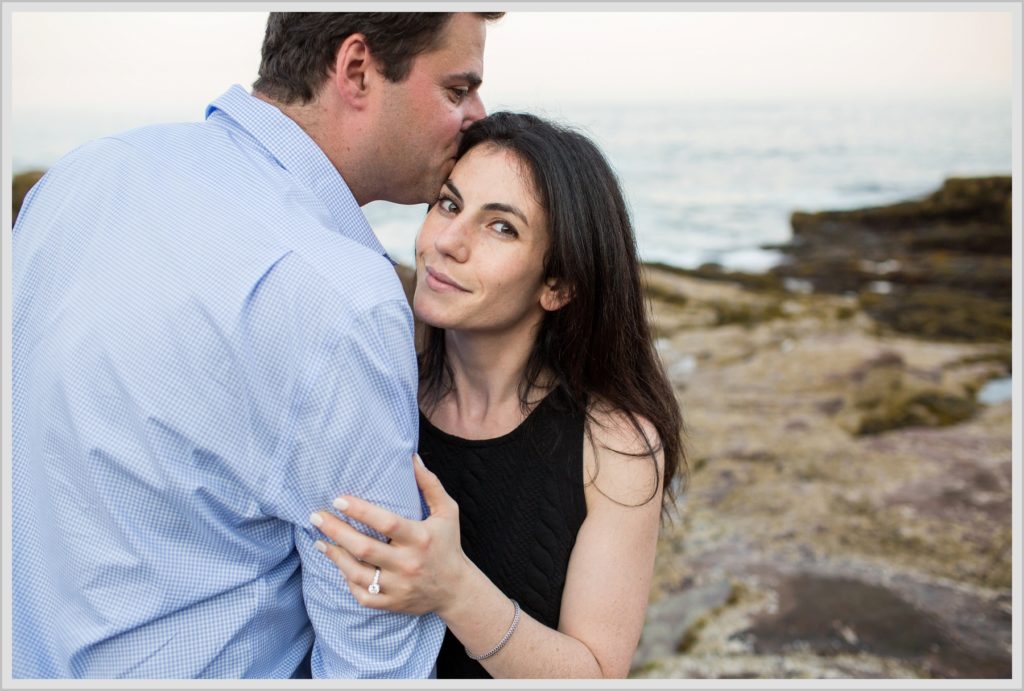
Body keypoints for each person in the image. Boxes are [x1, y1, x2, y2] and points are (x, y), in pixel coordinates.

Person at [11, 12, 502, 678]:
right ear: (357, 69)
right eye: (457, 88)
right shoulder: (341, 296)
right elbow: (372, 658)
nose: (477, 113)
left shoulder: (81, 178)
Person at [309, 112, 686, 678]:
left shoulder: (614, 445)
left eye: (501, 227)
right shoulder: (373, 389)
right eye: (449, 204)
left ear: (557, 284)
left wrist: (454, 590)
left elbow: (597, 675)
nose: (447, 242)